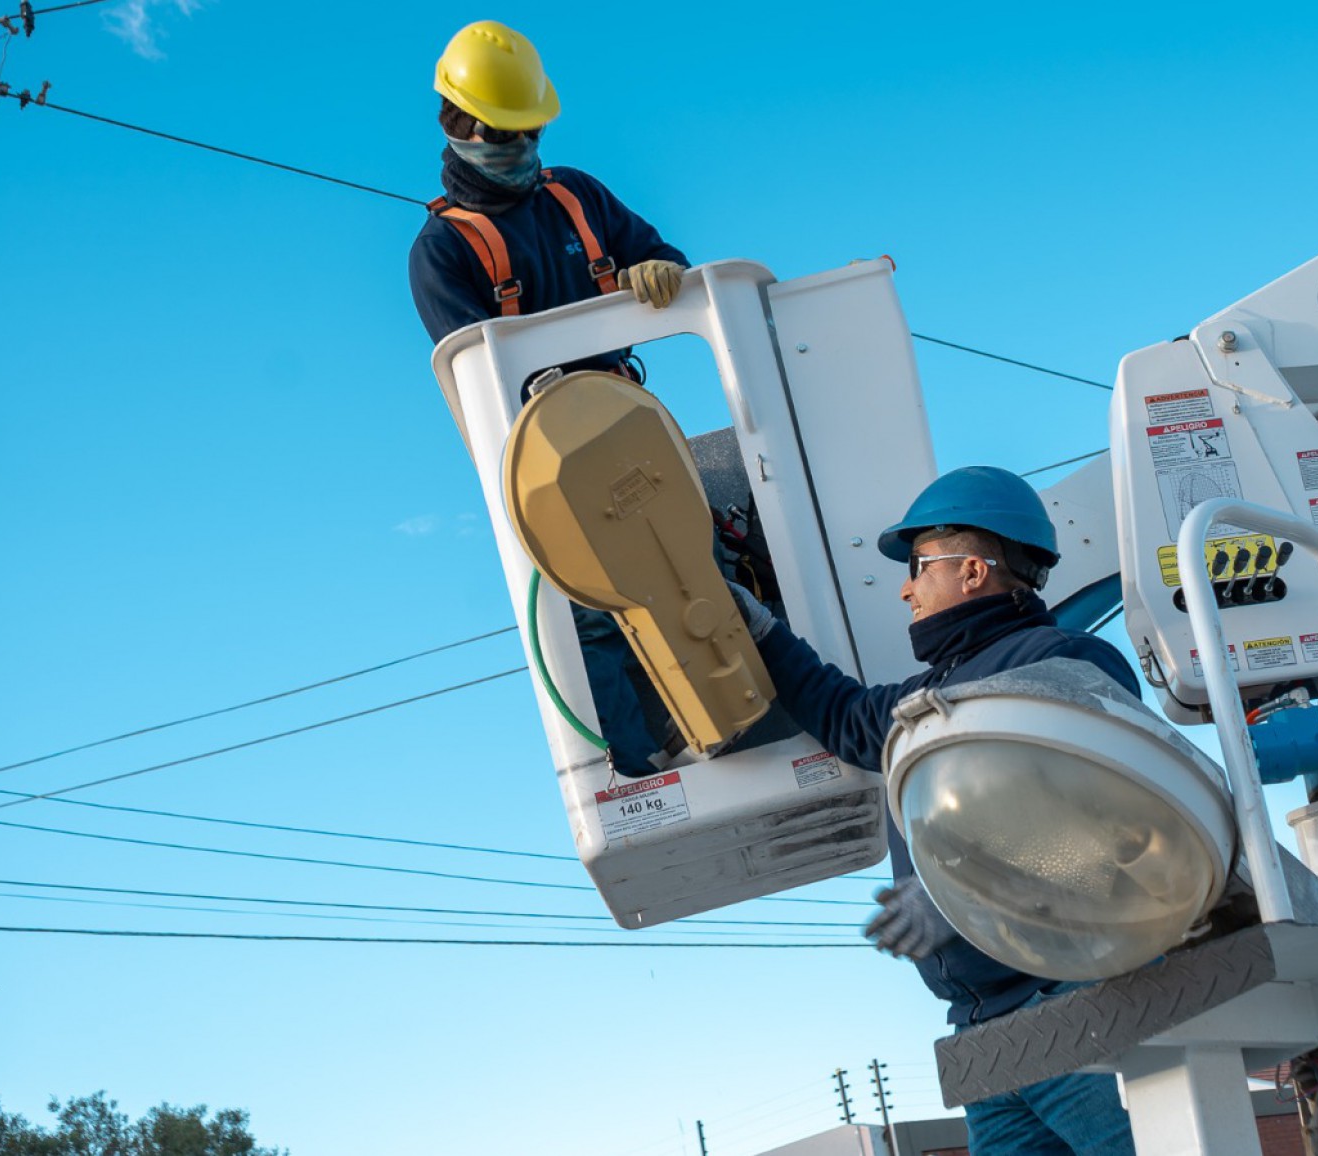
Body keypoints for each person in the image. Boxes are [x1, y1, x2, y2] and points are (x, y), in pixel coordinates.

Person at [732, 466, 1140, 1156]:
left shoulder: (1065, 661)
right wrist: (758, 626)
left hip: (1073, 1009)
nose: (905, 586)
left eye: (919, 566)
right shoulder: (932, 694)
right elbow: (841, 714)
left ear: (974, 571)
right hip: (985, 1036)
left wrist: (960, 887)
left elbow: (1104, 825)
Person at [408, 19, 689, 775]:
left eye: (530, 133)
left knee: (693, 577)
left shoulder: (578, 197)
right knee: (591, 614)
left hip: (629, 427)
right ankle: (645, 773)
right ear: (460, 128)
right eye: (506, 136)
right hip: (543, 461)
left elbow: (661, 256)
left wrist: (656, 272)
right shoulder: (444, 250)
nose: (523, 151)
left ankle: (715, 733)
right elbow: (479, 379)